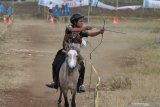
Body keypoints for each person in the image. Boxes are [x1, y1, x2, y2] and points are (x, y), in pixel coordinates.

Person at [46, 13, 104, 93]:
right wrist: (85, 27)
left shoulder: (82, 31)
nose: (82, 22)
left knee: (82, 67)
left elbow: (90, 34)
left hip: (76, 54)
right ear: (75, 22)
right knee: (55, 63)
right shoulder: (69, 27)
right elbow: (73, 30)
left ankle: (80, 85)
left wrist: (99, 32)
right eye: (80, 21)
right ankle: (55, 82)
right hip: (65, 52)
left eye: (82, 21)